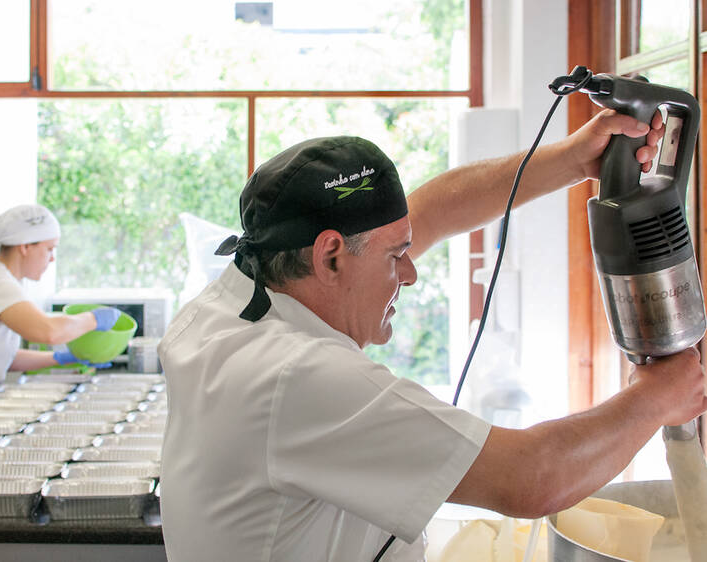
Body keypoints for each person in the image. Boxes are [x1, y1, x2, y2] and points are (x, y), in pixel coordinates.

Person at [157, 110, 707, 562]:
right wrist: (657, 395)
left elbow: (431, 212)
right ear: (329, 255)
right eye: (398, 256)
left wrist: (569, 159)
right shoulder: (296, 378)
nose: (411, 272)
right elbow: (532, 478)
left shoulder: (240, 295)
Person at [0, 204, 121, 408]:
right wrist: (94, 319)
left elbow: (3, 357)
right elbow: (48, 332)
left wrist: (61, 358)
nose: (52, 258)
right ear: (25, 246)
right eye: (49, 249)